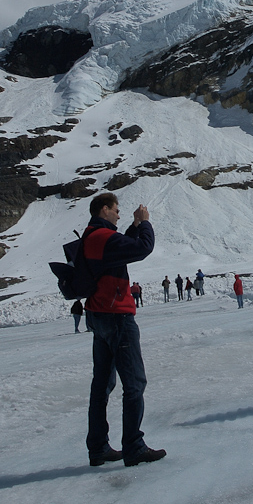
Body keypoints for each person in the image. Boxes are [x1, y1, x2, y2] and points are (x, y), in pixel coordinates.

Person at [83, 192, 166, 468]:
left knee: (102, 384)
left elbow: (123, 246)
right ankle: (133, 446)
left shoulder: (93, 237)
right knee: (134, 383)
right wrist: (144, 224)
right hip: (116, 316)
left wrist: (132, 226)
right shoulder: (102, 238)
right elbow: (141, 248)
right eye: (116, 210)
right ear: (104, 209)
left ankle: (98, 447)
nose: (119, 214)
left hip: (99, 316)